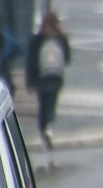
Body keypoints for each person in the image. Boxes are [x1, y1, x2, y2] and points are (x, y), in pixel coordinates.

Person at [25, 11, 72, 147]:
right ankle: (47, 128)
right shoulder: (60, 39)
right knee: (50, 104)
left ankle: (44, 128)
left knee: (44, 104)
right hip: (55, 78)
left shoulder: (37, 40)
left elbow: (31, 62)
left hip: (41, 79)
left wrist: (30, 81)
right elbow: (67, 59)